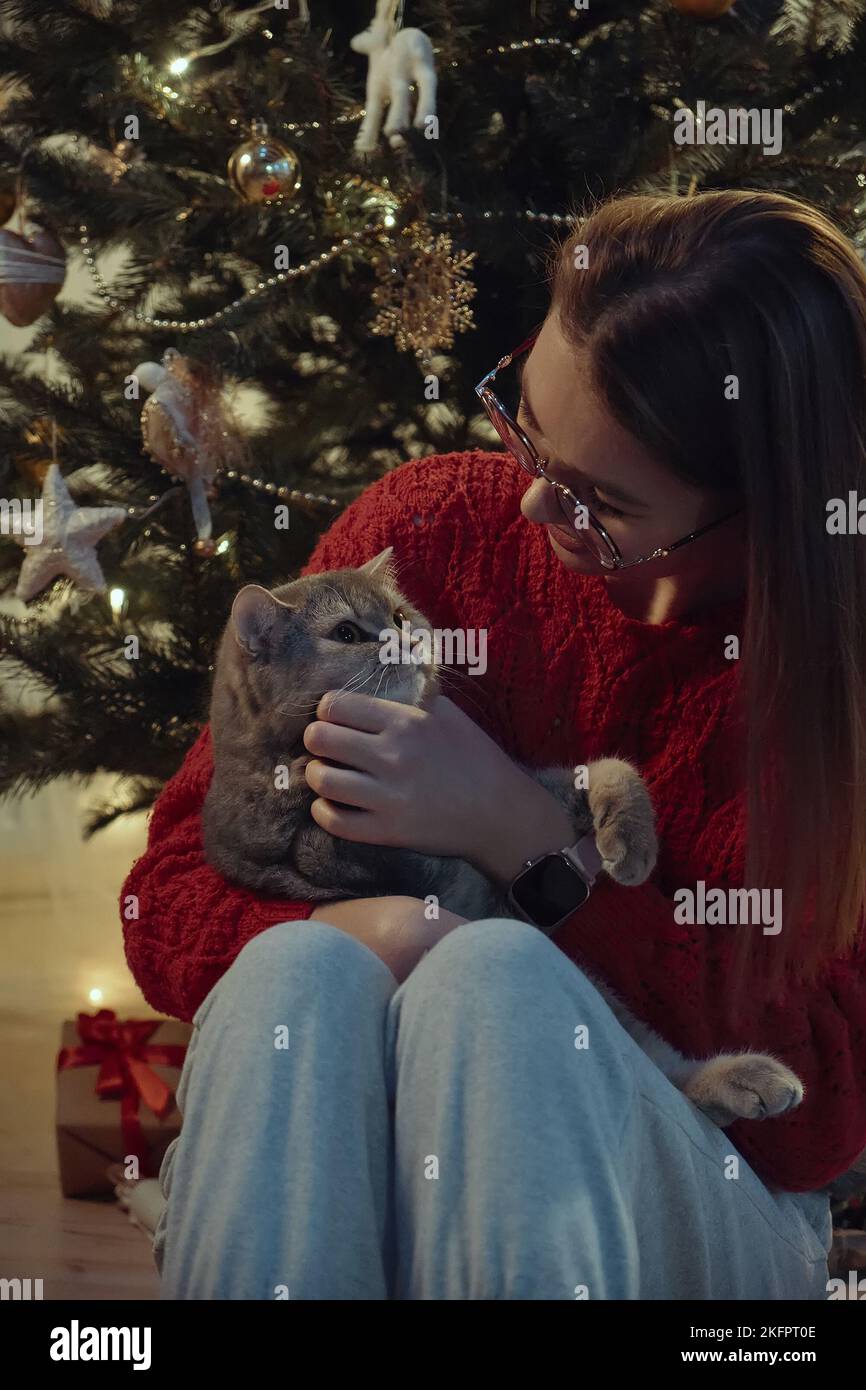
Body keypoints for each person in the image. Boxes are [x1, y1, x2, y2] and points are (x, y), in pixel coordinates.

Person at [124, 189, 866, 1300]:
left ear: (758, 505)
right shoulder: (427, 529)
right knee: (298, 964)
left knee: (497, 977)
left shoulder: (824, 678)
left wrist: (529, 845)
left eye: (597, 499)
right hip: (372, 1162)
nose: (526, 502)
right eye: (520, 418)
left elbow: (820, 1108)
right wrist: (369, 925)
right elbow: (169, 894)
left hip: (693, 1207)